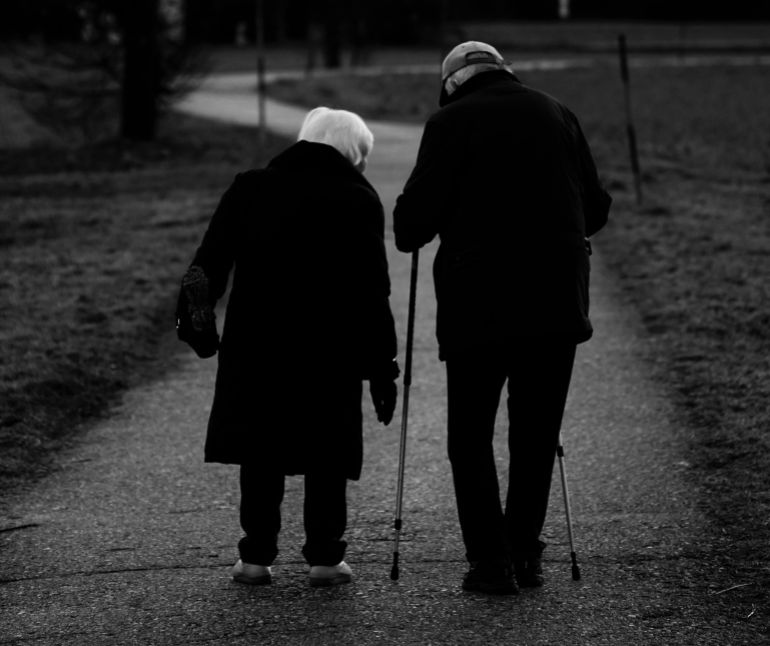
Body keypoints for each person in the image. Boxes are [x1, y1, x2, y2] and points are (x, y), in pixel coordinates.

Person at [393, 42, 611, 594]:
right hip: (556, 301)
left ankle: (490, 563)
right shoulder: (558, 112)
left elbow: (411, 227)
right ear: (502, 70)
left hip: (477, 305)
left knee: (470, 436)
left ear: (452, 82)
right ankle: (526, 555)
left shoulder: (448, 123)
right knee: (536, 435)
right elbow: (597, 206)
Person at [177, 107, 399, 587]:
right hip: (330, 347)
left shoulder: (250, 187)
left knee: (261, 445)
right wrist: (383, 367)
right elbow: (371, 291)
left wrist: (196, 321)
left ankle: (255, 556)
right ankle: (324, 557)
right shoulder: (358, 198)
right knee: (327, 448)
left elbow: (207, 264)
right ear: (353, 153)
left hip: (257, 341)